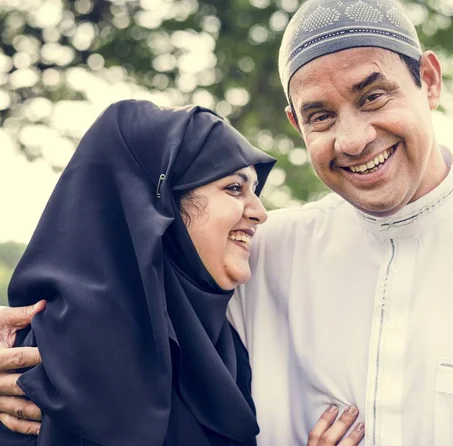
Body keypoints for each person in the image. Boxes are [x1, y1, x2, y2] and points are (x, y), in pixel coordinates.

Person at [2, 0, 453, 444]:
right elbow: (129, 306)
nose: (354, 138)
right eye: (320, 115)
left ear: (429, 81)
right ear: (295, 123)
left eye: (374, 96)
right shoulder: (264, 257)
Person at [0, 99, 365, 445]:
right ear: (161, 207)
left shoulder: (226, 348)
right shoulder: (41, 362)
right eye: (234, 188)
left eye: (255, 191)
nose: (260, 212)